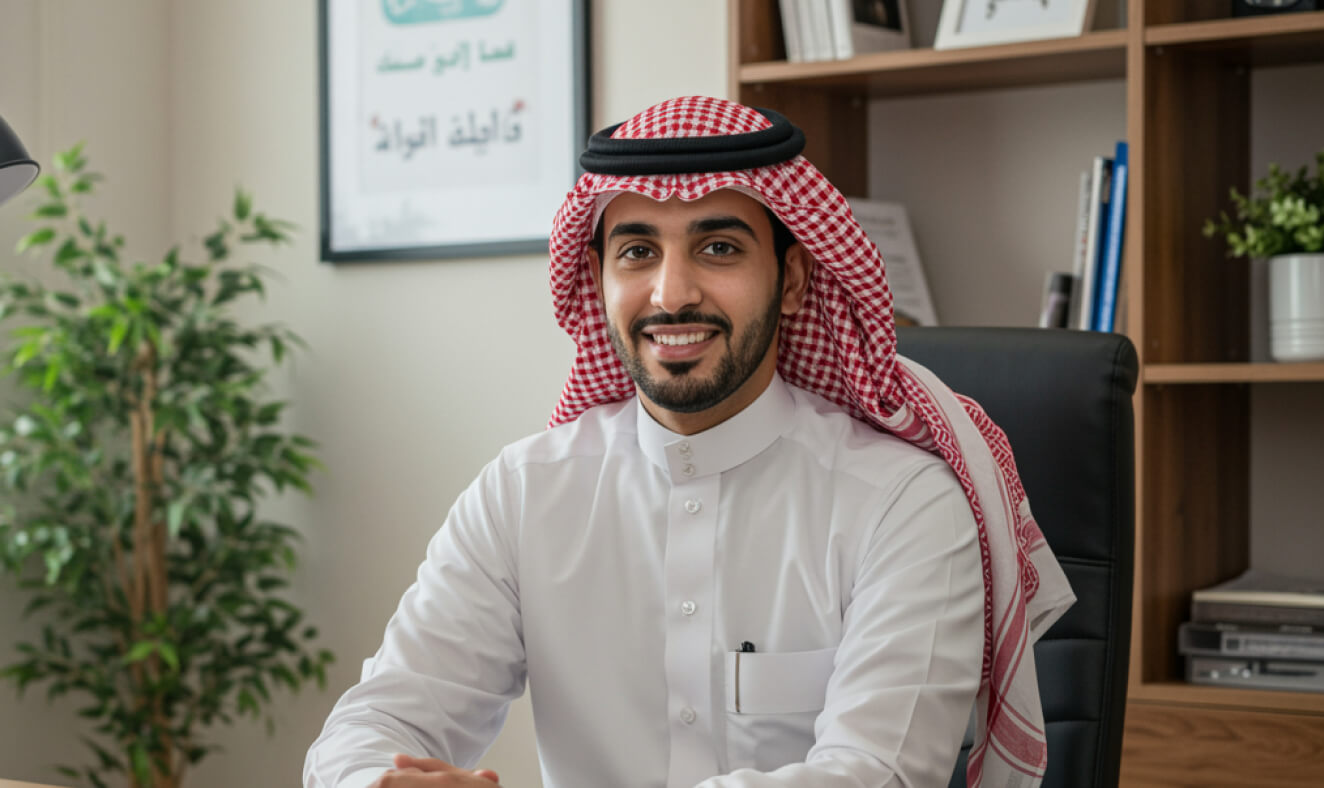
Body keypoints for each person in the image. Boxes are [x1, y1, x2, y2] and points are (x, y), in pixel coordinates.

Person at [304, 96, 1073, 788]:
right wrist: (379, 782)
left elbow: (876, 775)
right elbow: (373, 723)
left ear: (793, 280)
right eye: (637, 252)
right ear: (598, 279)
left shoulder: (901, 505)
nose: (672, 294)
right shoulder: (523, 495)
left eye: (719, 248)